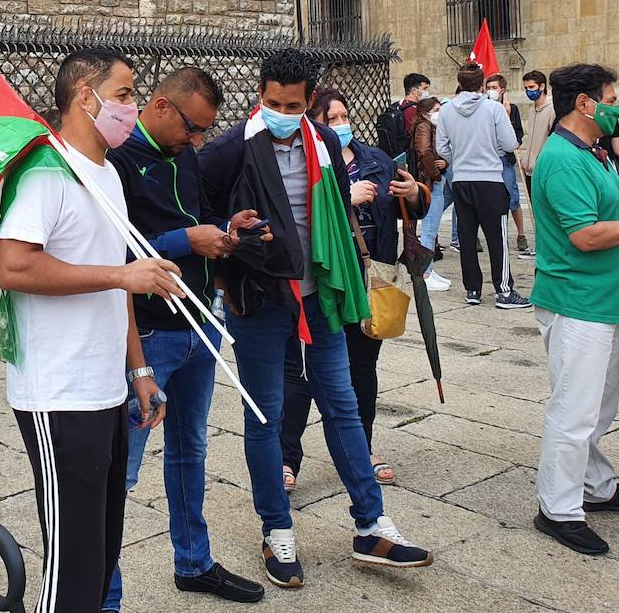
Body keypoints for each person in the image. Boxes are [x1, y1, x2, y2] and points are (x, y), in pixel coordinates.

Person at [199, 49, 432, 589]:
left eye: (294, 104)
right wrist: (228, 237)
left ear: (309, 100)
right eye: (273, 102)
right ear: (260, 96)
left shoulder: (324, 142)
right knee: (267, 415)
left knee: (343, 405)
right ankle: (275, 528)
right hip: (258, 299)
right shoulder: (229, 150)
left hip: (321, 295)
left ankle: (371, 525)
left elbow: (337, 214)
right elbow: (200, 215)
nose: (283, 112)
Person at [0, 49, 185, 613]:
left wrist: (140, 369)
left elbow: (117, 284)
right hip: (57, 392)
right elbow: (15, 266)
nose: (132, 107)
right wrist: (122, 273)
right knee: (71, 567)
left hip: (106, 387)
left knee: (100, 554)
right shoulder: (45, 171)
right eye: (125, 94)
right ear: (85, 94)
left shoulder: (106, 174)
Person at [104, 68, 267, 608]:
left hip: (201, 321)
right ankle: (101, 588)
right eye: (192, 128)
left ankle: (193, 562)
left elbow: (196, 219)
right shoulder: (117, 161)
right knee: (121, 466)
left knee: (190, 448)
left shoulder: (189, 156)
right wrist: (182, 240)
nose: (197, 140)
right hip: (148, 331)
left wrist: (225, 230)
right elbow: (110, 253)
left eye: (204, 132)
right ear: (160, 106)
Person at [528, 63, 619, 557]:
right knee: (575, 409)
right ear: (585, 103)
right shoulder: (564, 159)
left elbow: (611, 205)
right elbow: (585, 235)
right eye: (610, 98)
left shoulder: (593, 153)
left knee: (598, 405)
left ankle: (596, 486)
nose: (617, 108)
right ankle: (558, 507)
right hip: (576, 300)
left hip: (602, 299)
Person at [282, 88, 423, 490]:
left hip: (369, 281)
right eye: (331, 119)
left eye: (345, 116)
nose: (341, 125)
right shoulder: (300, 161)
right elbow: (293, 211)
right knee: (301, 373)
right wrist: (345, 195)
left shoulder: (374, 159)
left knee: (362, 368)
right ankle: (287, 455)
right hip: (319, 282)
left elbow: (412, 206)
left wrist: (413, 193)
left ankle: (362, 446)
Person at [436, 63, 532, 309]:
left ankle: (473, 289)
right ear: (481, 85)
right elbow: (510, 142)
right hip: (489, 178)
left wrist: (457, 156)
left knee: (467, 236)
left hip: (462, 179)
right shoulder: (493, 109)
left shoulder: (446, 110)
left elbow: (442, 148)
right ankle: (504, 290)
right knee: (497, 237)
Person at [486, 73, 532, 258]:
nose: (491, 91)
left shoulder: (511, 109)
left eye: (494, 88)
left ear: (502, 90)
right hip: (490, 159)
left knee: (513, 197)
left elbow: (518, 133)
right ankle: (499, 235)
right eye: (488, 87)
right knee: (494, 201)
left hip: (506, 158)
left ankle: (521, 234)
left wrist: (506, 115)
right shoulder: (485, 109)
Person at [411, 96, 453, 292]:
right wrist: (436, 175)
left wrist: (443, 164)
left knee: (432, 229)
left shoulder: (430, 126)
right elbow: (425, 153)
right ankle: (425, 273)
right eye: (436, 109)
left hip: (435, 180)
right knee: (429, 231)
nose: (439, 112)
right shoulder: (424, 127)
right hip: (431, 182)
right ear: (426, 112)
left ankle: (429, 269)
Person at [518, 70, 555, 205]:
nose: (528, 91)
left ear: (542, 86)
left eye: (532, 87)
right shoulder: (531, 109)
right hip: (529, 170)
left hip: (542, 170)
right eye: (526, 88)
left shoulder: (552, 109)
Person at [376, 73, 431, 158]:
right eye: (424, 88)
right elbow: (416, 135)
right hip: (410, 154)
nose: (426, 92)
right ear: (414, 90)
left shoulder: (397, 105)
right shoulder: (413, 110)